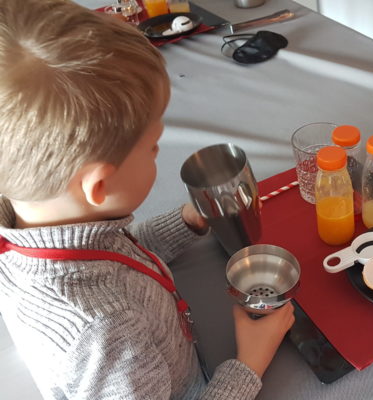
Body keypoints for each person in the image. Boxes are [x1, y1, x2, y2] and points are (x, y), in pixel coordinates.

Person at [0, 0, 294, 399]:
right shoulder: (107, 334)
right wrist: (249, 364)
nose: (159, 153)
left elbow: (115, 258)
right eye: (154, 147)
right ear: (99, 186)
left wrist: (188, 221)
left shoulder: (39, 221)